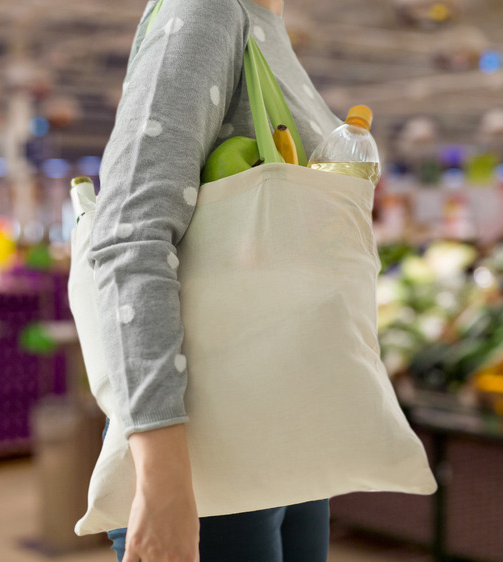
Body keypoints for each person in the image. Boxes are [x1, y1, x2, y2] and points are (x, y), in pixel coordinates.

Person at [90, 0, 340, 560]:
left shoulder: (263, 23)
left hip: (286, 425)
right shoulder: (208, 9)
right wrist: (164, 485)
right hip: (211, 449)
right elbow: (132, 233)